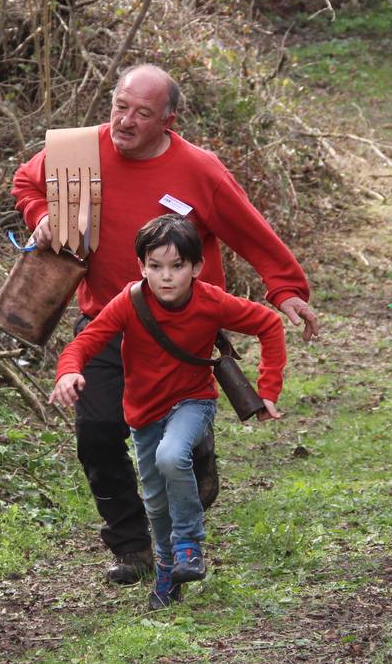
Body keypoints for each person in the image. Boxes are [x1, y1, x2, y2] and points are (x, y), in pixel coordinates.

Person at [11, 64, 319, 585]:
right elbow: (25, 180)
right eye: (120, 106)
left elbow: (251, 231)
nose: (125, 122)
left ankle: (197, 461)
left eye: (142, 113)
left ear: (168, 120)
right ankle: (131, 544)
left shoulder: (200, 170)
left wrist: (286, 289)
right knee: (98, 432)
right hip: (107, 318)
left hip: (185, 328)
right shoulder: (78, 152)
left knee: (177, 443)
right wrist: (38, 212)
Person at [50, 215, 287, 608]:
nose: (166, 277)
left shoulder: (211, 301)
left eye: (177, 266)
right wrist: (69, 372)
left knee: (171, 456)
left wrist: (268, 389)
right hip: (143, 412)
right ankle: (166, 568)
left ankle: (190, 545)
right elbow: (86, 342)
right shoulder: (129, 301)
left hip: (194, 401)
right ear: (141, 266)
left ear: (196, 268)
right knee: (155, 501)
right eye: (155, 266)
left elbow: (269, 324)